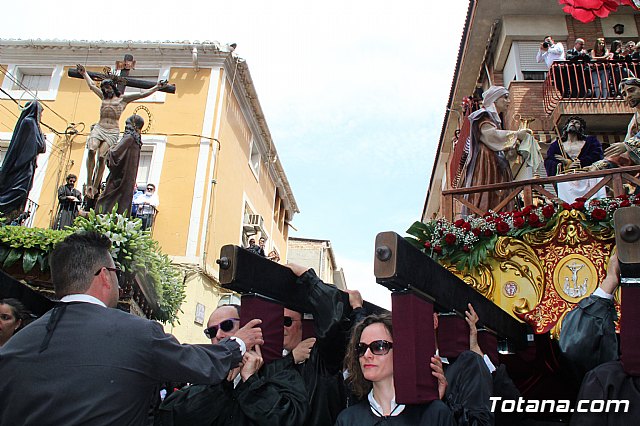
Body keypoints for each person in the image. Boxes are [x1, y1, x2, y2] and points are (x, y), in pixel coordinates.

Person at [0, 231, 264, 425]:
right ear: (105, 275)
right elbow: (198, 363)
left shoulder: (15, 346)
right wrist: (238, 342)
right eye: (117, 273)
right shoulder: (135, 333)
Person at [156, 304, 309, 426]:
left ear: (247, 327)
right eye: (211, 331)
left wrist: (251, 382)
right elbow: (170, 417)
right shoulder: (206, 374)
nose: (218, 335)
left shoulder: (278, 370)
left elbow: (291, 419)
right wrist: (222, 383)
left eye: (227, 325)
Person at [335, 313, 454, 425]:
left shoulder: (435, 414)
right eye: (361, 348)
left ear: (402, 351)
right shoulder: (347, 420)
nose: (367, 355)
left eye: (379, 346)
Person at [76, 64, 168, 199]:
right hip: (99, 128)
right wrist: (84, 73)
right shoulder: (103, 97)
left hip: (112, 131)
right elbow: (91, 86)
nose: (106, 90)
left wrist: (157, 87)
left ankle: (95, 186)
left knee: (102, 157)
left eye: (107, 88)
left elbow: (142, 94)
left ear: (112, 88)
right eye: (104, 88)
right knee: (91, 150)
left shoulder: (123, 99)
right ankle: (89, 182)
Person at [459, 86, 533, 213]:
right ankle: (485, 216)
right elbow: (491, 136)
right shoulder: (483, 115)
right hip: (486, 160)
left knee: (498, 193)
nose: (508, 101)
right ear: (495, 100)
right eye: (505, 97)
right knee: (487, 191)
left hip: (494, 160)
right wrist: (516, 135)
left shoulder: (493, 119)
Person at [0, 101, 46, 222]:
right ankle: (8, 216)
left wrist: (41, 136)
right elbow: (38, 145)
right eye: (40, 112)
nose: (41, 116)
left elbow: (42, 148)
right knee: (19, 190)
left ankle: (13, 216)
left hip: (28, 166)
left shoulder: (35, 126)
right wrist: (41, 136)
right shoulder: (29, 123)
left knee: (23, 191)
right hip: (22, 165)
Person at [544, 116, 604, 201]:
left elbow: (597, 155)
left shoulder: (590, 142)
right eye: (571, 122)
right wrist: (566, 165)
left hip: (587, 179)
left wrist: (581, 162)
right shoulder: (556, 145)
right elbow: (549, 161)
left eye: (577, 123)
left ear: (581, 128)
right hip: (566, 181)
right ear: (566, 126)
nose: (573, 123)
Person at [95, 114, 145, 216]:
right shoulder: (137, 142)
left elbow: (115, 154)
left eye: (128, 124)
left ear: (134, 125)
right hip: (126, 180)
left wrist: (106, 148)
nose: (126, 126)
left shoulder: (129, 138)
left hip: (119, 179)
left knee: (105, 202)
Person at [590, 78, 640, 171]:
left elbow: (627, 145)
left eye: (632, 90)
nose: (628, 96)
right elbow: (626, 153)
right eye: (624, 94)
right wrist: (601, 165)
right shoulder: (633, 122)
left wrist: (627, 145)